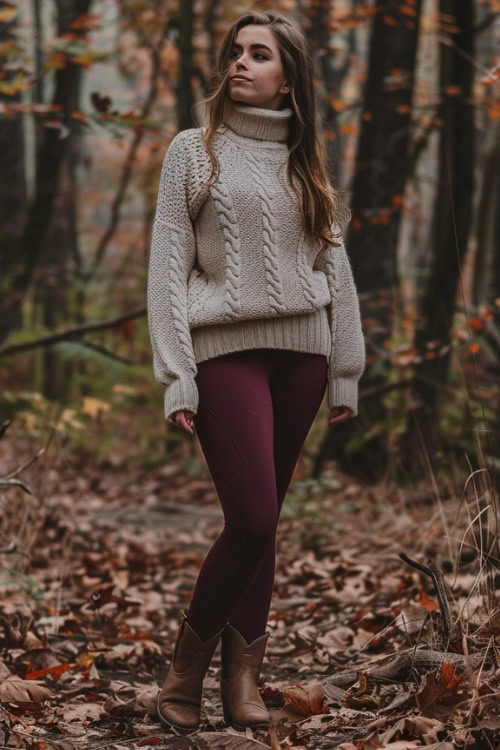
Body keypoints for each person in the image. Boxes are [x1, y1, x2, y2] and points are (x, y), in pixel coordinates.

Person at [147, 9, 366, 734]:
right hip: (223, 353)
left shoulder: (305, 158)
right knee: (253, 514)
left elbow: (333, 264)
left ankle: (245, 676)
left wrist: (345, 367)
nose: (240, 62)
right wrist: (176, 372)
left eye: (260, 53)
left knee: (263, 527)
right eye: (235, 51)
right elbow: (167, 271)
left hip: (302, 354)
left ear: (289, 75)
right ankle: (186, 669)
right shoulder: (193, 150)